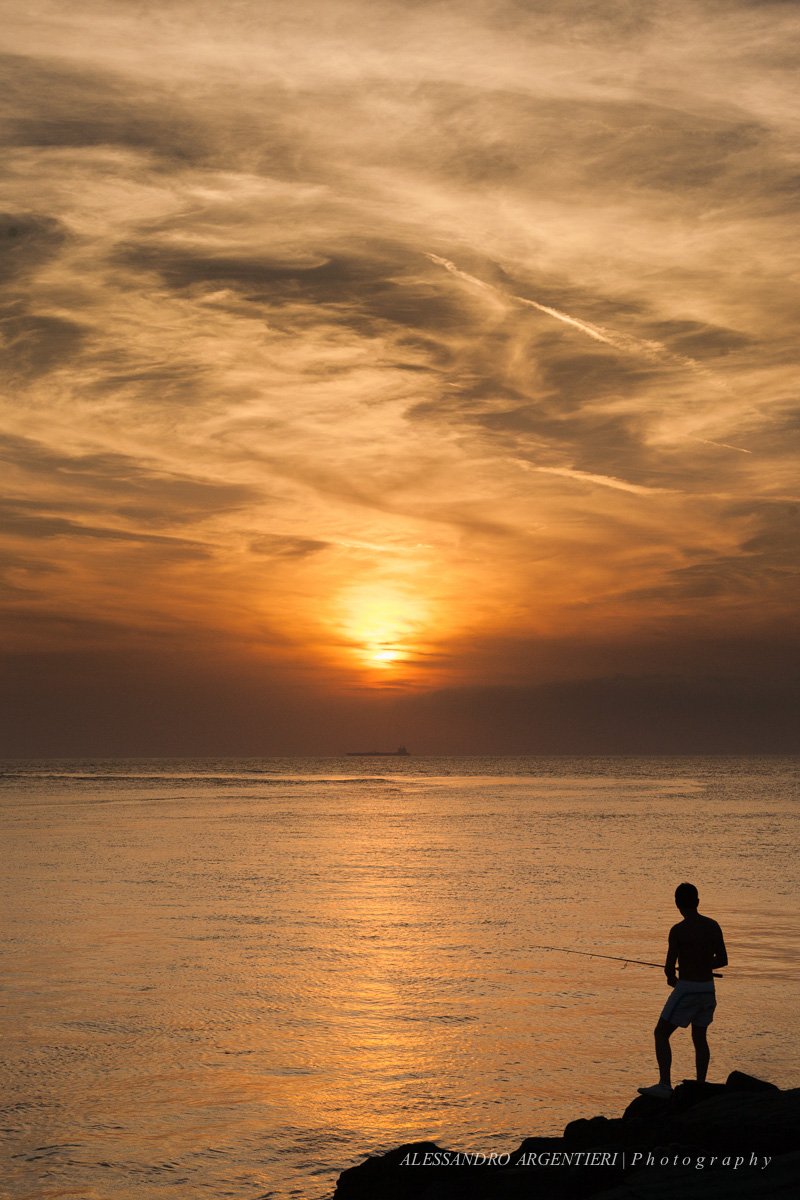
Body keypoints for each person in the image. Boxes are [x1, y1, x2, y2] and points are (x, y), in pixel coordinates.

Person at [638, 882, 728, 1099]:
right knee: (699, 1037)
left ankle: (665, 1085)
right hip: (708, 990)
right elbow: (723, 960)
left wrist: (673, 977)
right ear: (697, 902)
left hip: (687, 989)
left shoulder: (678, 931)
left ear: (677, 904)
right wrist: (704, 965)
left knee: (661, 1033)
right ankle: (701, 1085)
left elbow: (670, 969)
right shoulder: (713, 925)